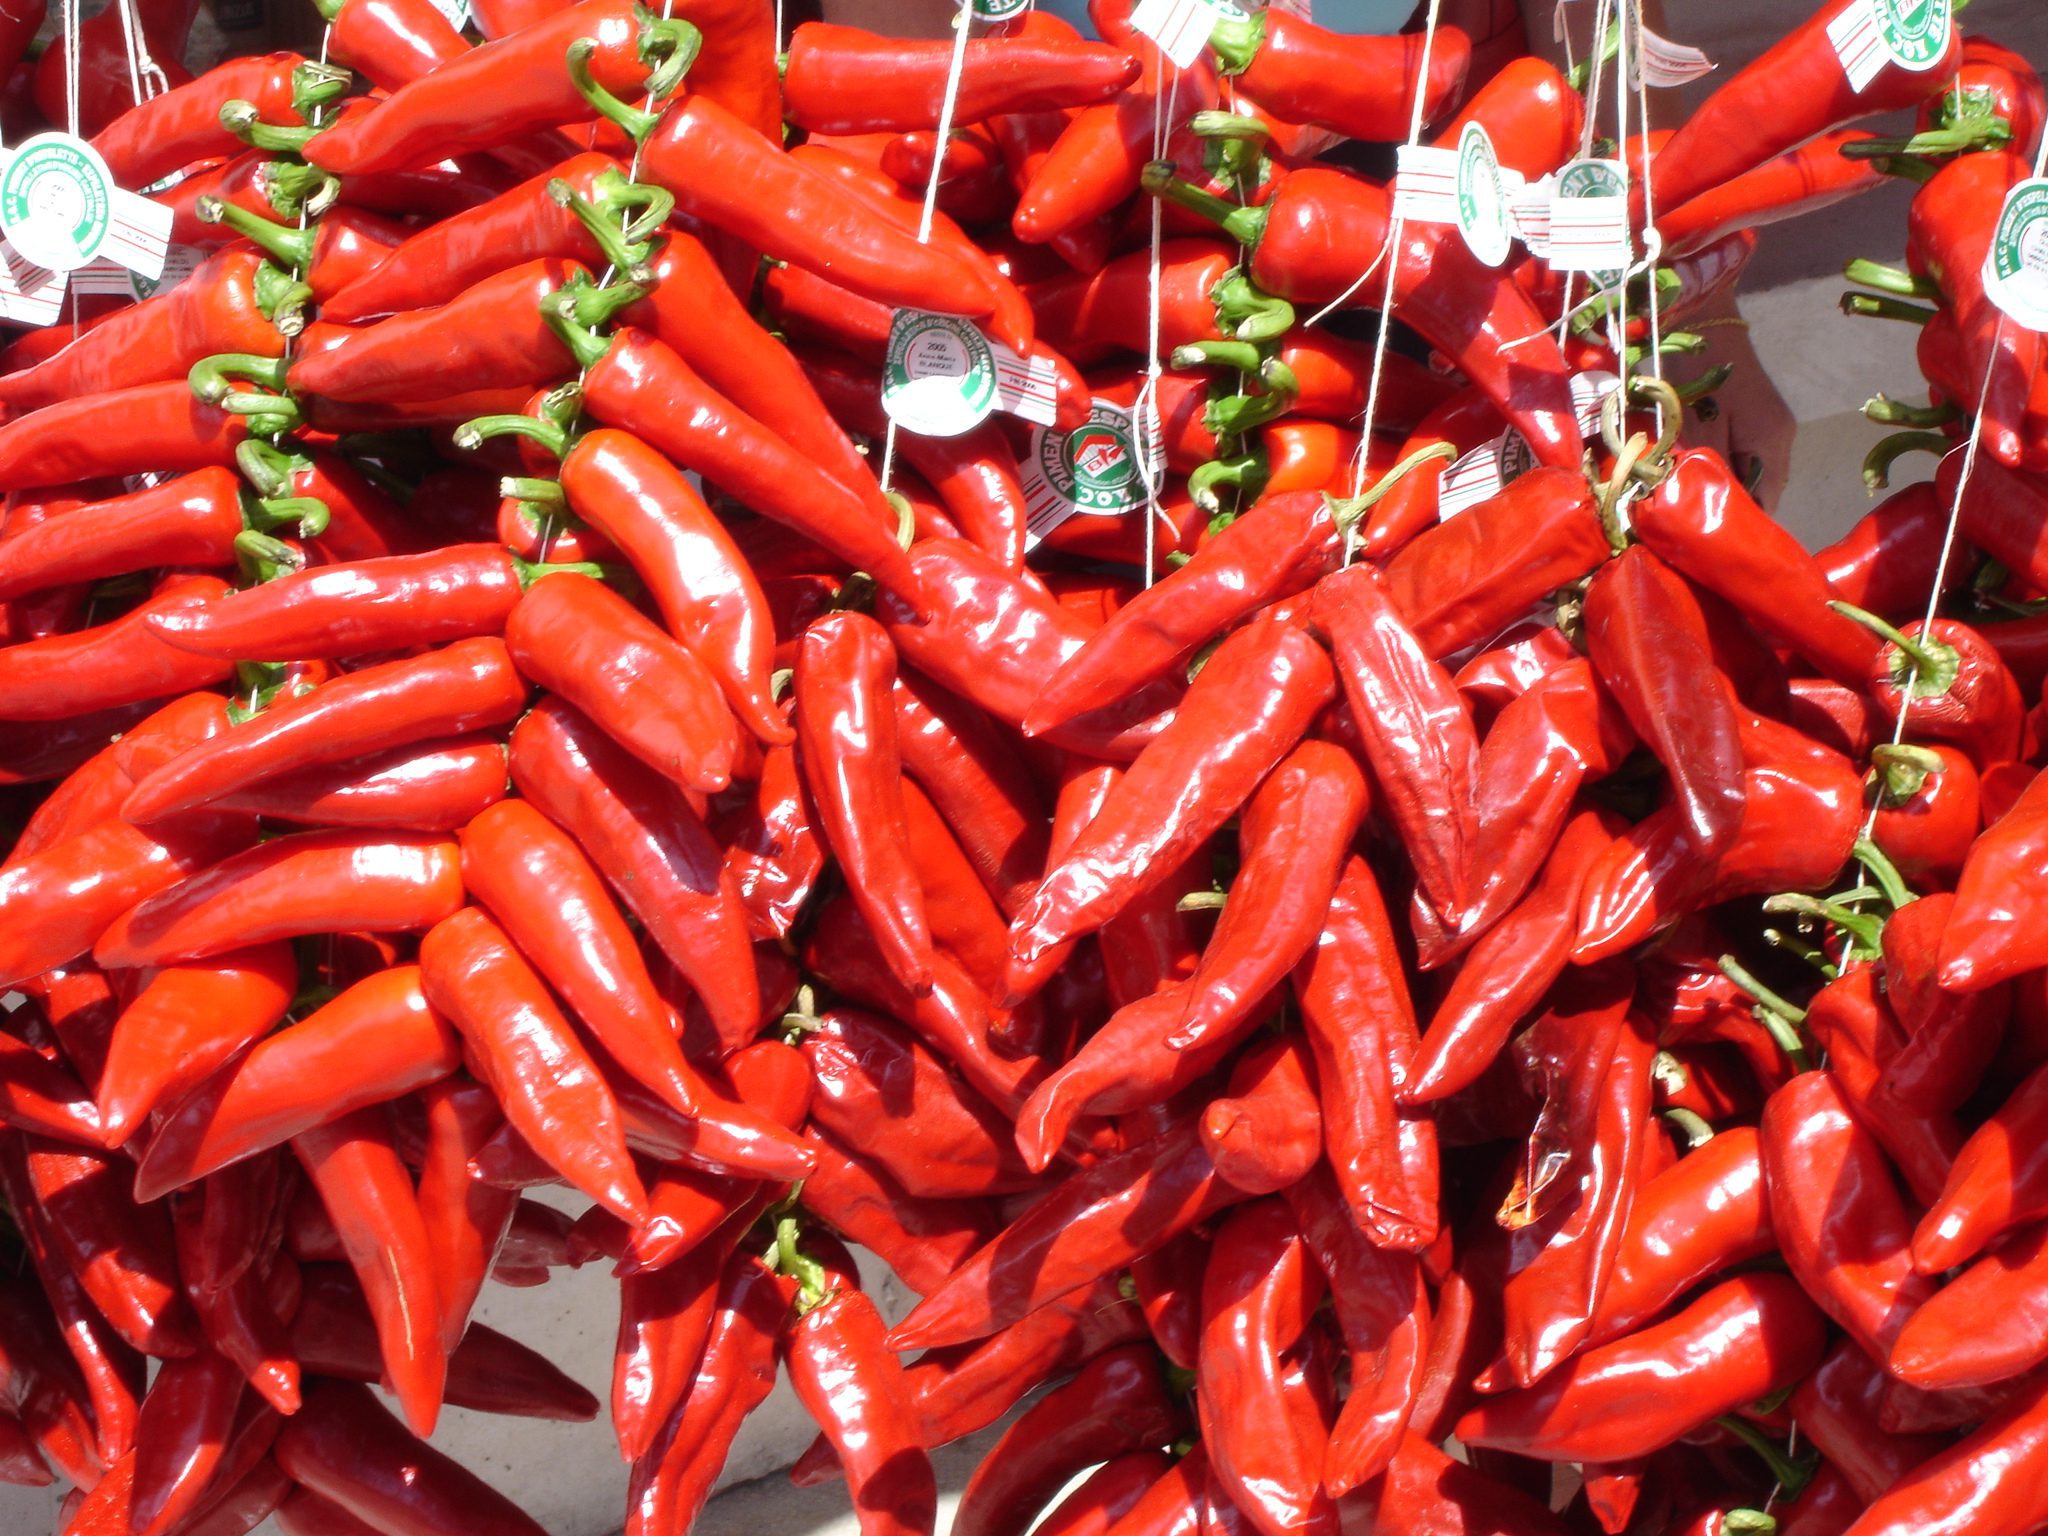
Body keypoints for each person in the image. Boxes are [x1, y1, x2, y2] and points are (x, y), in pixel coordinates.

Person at [813, 0, 1797, 504]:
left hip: (1439, 191)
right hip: (1051, 210)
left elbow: (1595, 30)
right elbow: (905, 76)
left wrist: (1689, 309)